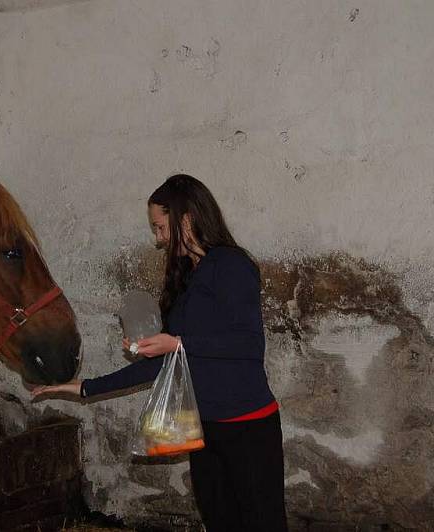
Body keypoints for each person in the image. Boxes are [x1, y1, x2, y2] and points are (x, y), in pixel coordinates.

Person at [32, 174, 288, 531]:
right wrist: (84, 387)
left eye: (160, 227)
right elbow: (164, 363)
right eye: (155, 230)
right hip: (205, 429)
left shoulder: (231, 265)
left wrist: (179, 342)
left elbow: (248, 344)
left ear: (186, 218)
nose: (158, 239)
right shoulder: (189, 277)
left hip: (247, 427)